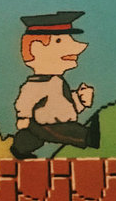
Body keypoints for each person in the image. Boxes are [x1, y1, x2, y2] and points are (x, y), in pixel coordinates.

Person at [10, 11, 100, 159]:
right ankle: (90, 137)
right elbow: (25, 101)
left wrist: (80, 99)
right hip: (47, 124)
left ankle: (20, 149)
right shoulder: (36, 84)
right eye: (59, 41)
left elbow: (63, 104)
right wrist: (23, 117)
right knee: (69, 132)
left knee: (33, 137)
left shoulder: (57, 82)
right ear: (35, 48)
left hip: (52, 123)